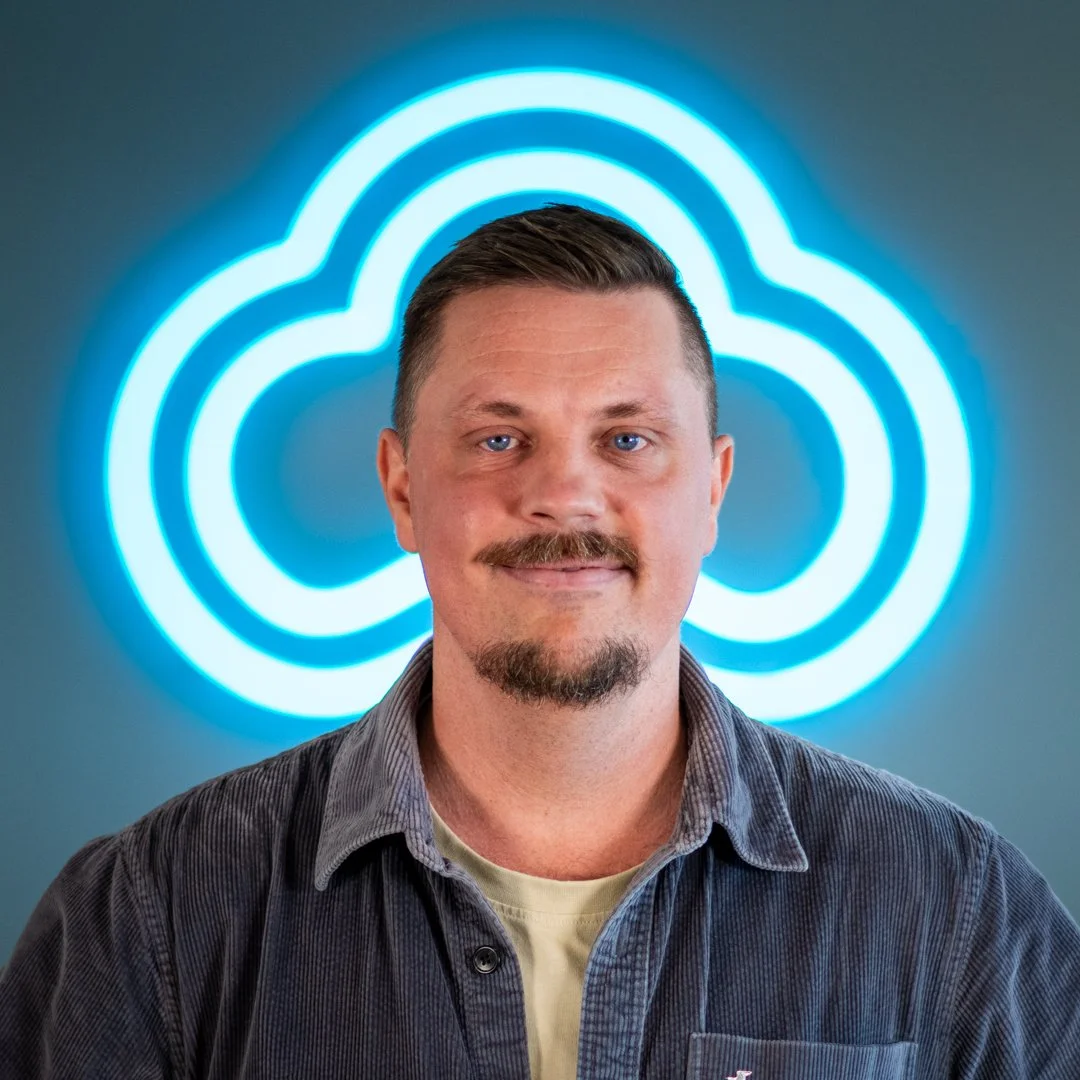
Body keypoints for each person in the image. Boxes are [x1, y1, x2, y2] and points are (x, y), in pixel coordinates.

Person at [2, 204, 1079, 1079]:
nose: (565, 492)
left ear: (711, 491)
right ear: (402, 488)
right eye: (499, 437)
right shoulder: (151, 920)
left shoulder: (960, 910)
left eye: (627, 438)